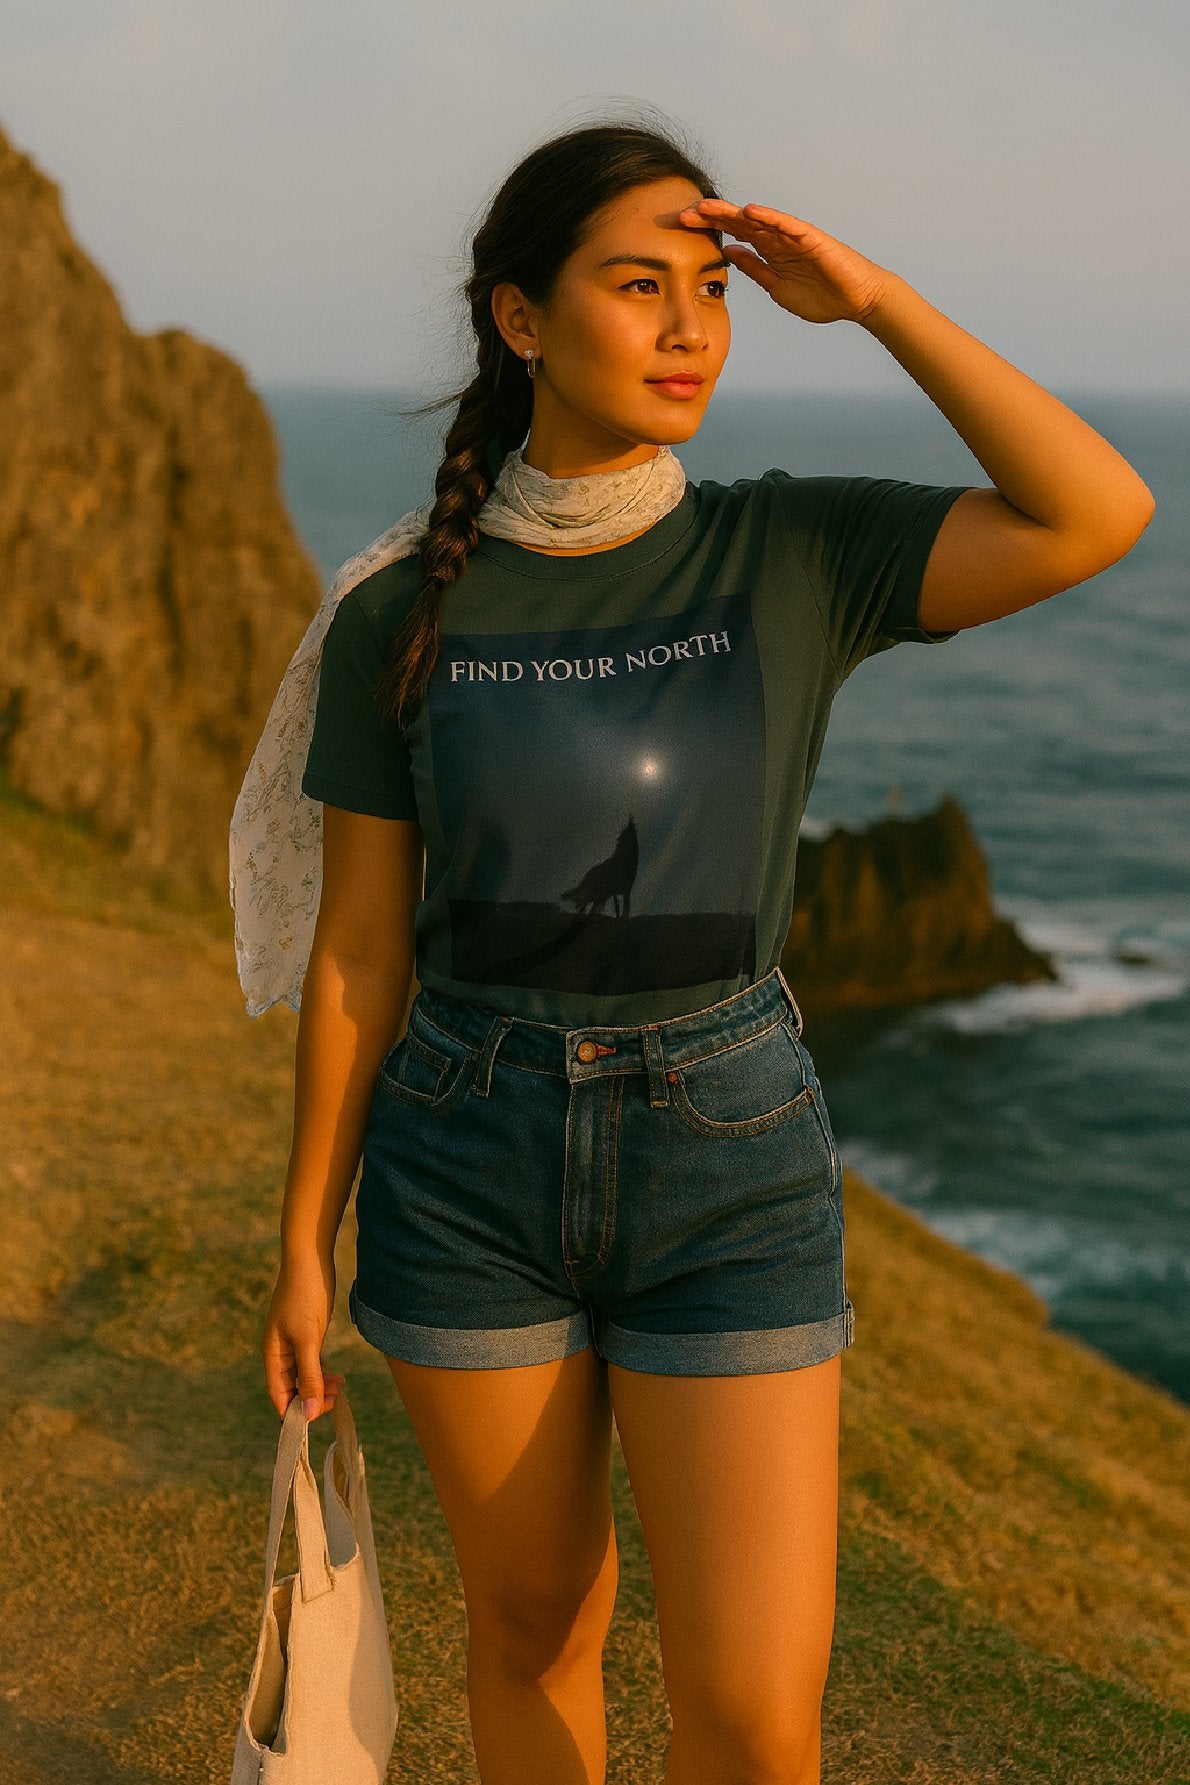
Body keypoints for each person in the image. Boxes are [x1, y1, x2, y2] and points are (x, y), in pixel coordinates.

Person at [254, 115, 1154, 1785]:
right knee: (530, 1634)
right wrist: (306, 1230)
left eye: (709, 289)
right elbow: (362, 948)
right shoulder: (406, 611)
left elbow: (1097, 506)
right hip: (464, 1158)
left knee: (750, 1717)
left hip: (725, 1152)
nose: (687, 327)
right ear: (520, 318)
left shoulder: (789, 550)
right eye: (635, 284)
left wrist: (871, 299)